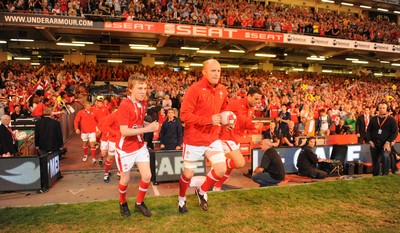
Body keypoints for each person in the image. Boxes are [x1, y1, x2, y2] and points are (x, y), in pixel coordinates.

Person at [177, 59, 228, 214]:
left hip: (212, 138)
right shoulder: (195, 89)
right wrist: (208, 120)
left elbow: (223, 110)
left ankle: (202, 190)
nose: (216, 74)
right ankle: (181, 199)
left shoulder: (222, 90)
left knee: (221, 169)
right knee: (188, 174)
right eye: (213, 71)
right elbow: (184, 115)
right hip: (194, 139)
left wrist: (227, 121)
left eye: (218, 71)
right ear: (204, 72)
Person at [116, 74, 160, 218]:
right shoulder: (124, 105)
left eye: (145, 88)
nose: (143, 91)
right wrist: (147, 129)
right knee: (125, 180)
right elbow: (124, 131)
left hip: (139, 145)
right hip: (125, 149)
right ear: (130, 89)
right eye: (139, 88)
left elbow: (136, 124)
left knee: (147, 175)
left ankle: (139, 203)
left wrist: (145, 125)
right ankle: (123, 203)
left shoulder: (143, 103)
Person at [214, 87, 263, 191]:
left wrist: (254, 126)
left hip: (237, 138)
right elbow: (220, 113)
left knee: (230, 167)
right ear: (248, 96)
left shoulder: (251, 109)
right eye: (256, 98)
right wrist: (223, 125)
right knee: (240, 163)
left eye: (259, 99)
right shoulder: (235, 103)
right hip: (227, 136)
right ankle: (219, 164)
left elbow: (245, 124)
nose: (258, 101)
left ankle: (216, 187)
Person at [366, 102, 398, 176]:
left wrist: (388, 142)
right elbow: (368, 131)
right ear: (377, 109)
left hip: (386, 143)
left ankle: (385, 175)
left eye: (383, 108)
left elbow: (395, 133)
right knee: (375, 161)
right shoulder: (373, 119)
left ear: (387, 109)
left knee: (385, 157)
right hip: (374, 143)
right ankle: (376, 176)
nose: (381, 110)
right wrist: (370, 140)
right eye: (380, 108)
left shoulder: (392, 120)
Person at [99, 108, 119, 183]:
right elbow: (103, 126)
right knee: (109, 156)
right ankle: (106, 173)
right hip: (111, 139)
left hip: (121, 140)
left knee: (121, 156)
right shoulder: (110, 117)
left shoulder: (124, 116)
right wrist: (112, 133)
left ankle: (120, 172)